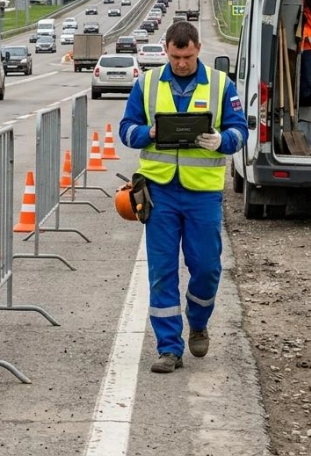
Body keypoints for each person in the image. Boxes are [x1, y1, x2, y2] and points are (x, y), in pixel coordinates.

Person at [119, 21, 249, 373]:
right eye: (175, 57)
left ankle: (199, 318)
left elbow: (240, 130)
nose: (181, 64)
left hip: (202, 195)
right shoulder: (146, 84)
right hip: (159, 193)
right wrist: (150, 132)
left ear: (198, 49)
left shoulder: (222, 85)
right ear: (166, 50)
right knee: (162, 272)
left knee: (206, 268)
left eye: (187, 57)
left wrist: (222, 141)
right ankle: (169, 349)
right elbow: (126, 131)